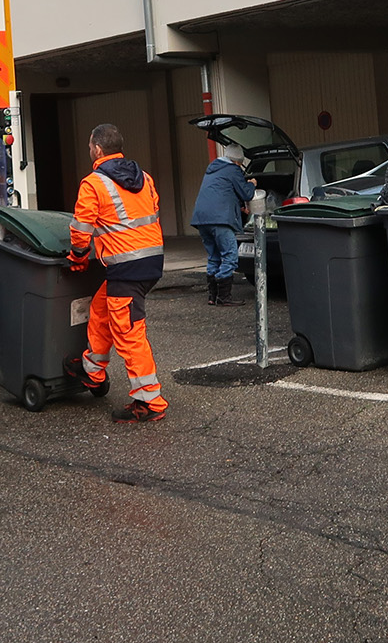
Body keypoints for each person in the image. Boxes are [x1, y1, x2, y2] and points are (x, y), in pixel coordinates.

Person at [62, 124, 169, 422]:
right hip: (149, 261)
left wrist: (78, 257)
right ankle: (92, 370)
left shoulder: (94, 183)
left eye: (89, 148)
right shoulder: (144, 178)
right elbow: (152, 214)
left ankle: (150, 402)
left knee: (129, 334)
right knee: (101, 310)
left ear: (97, 149)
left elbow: (81, 229)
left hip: (126, 266)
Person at [190, 143, 257, 306]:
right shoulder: (233, 170)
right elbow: (246, 193)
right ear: (237, 161)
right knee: (230, 256)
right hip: (220, 219)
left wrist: (237, 206)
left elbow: (222, 193)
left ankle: (212, 296)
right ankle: (224, 297)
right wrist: (252, 184)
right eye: (240, 163)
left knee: (214, 256)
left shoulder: (212, 169)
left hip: (201, 219)